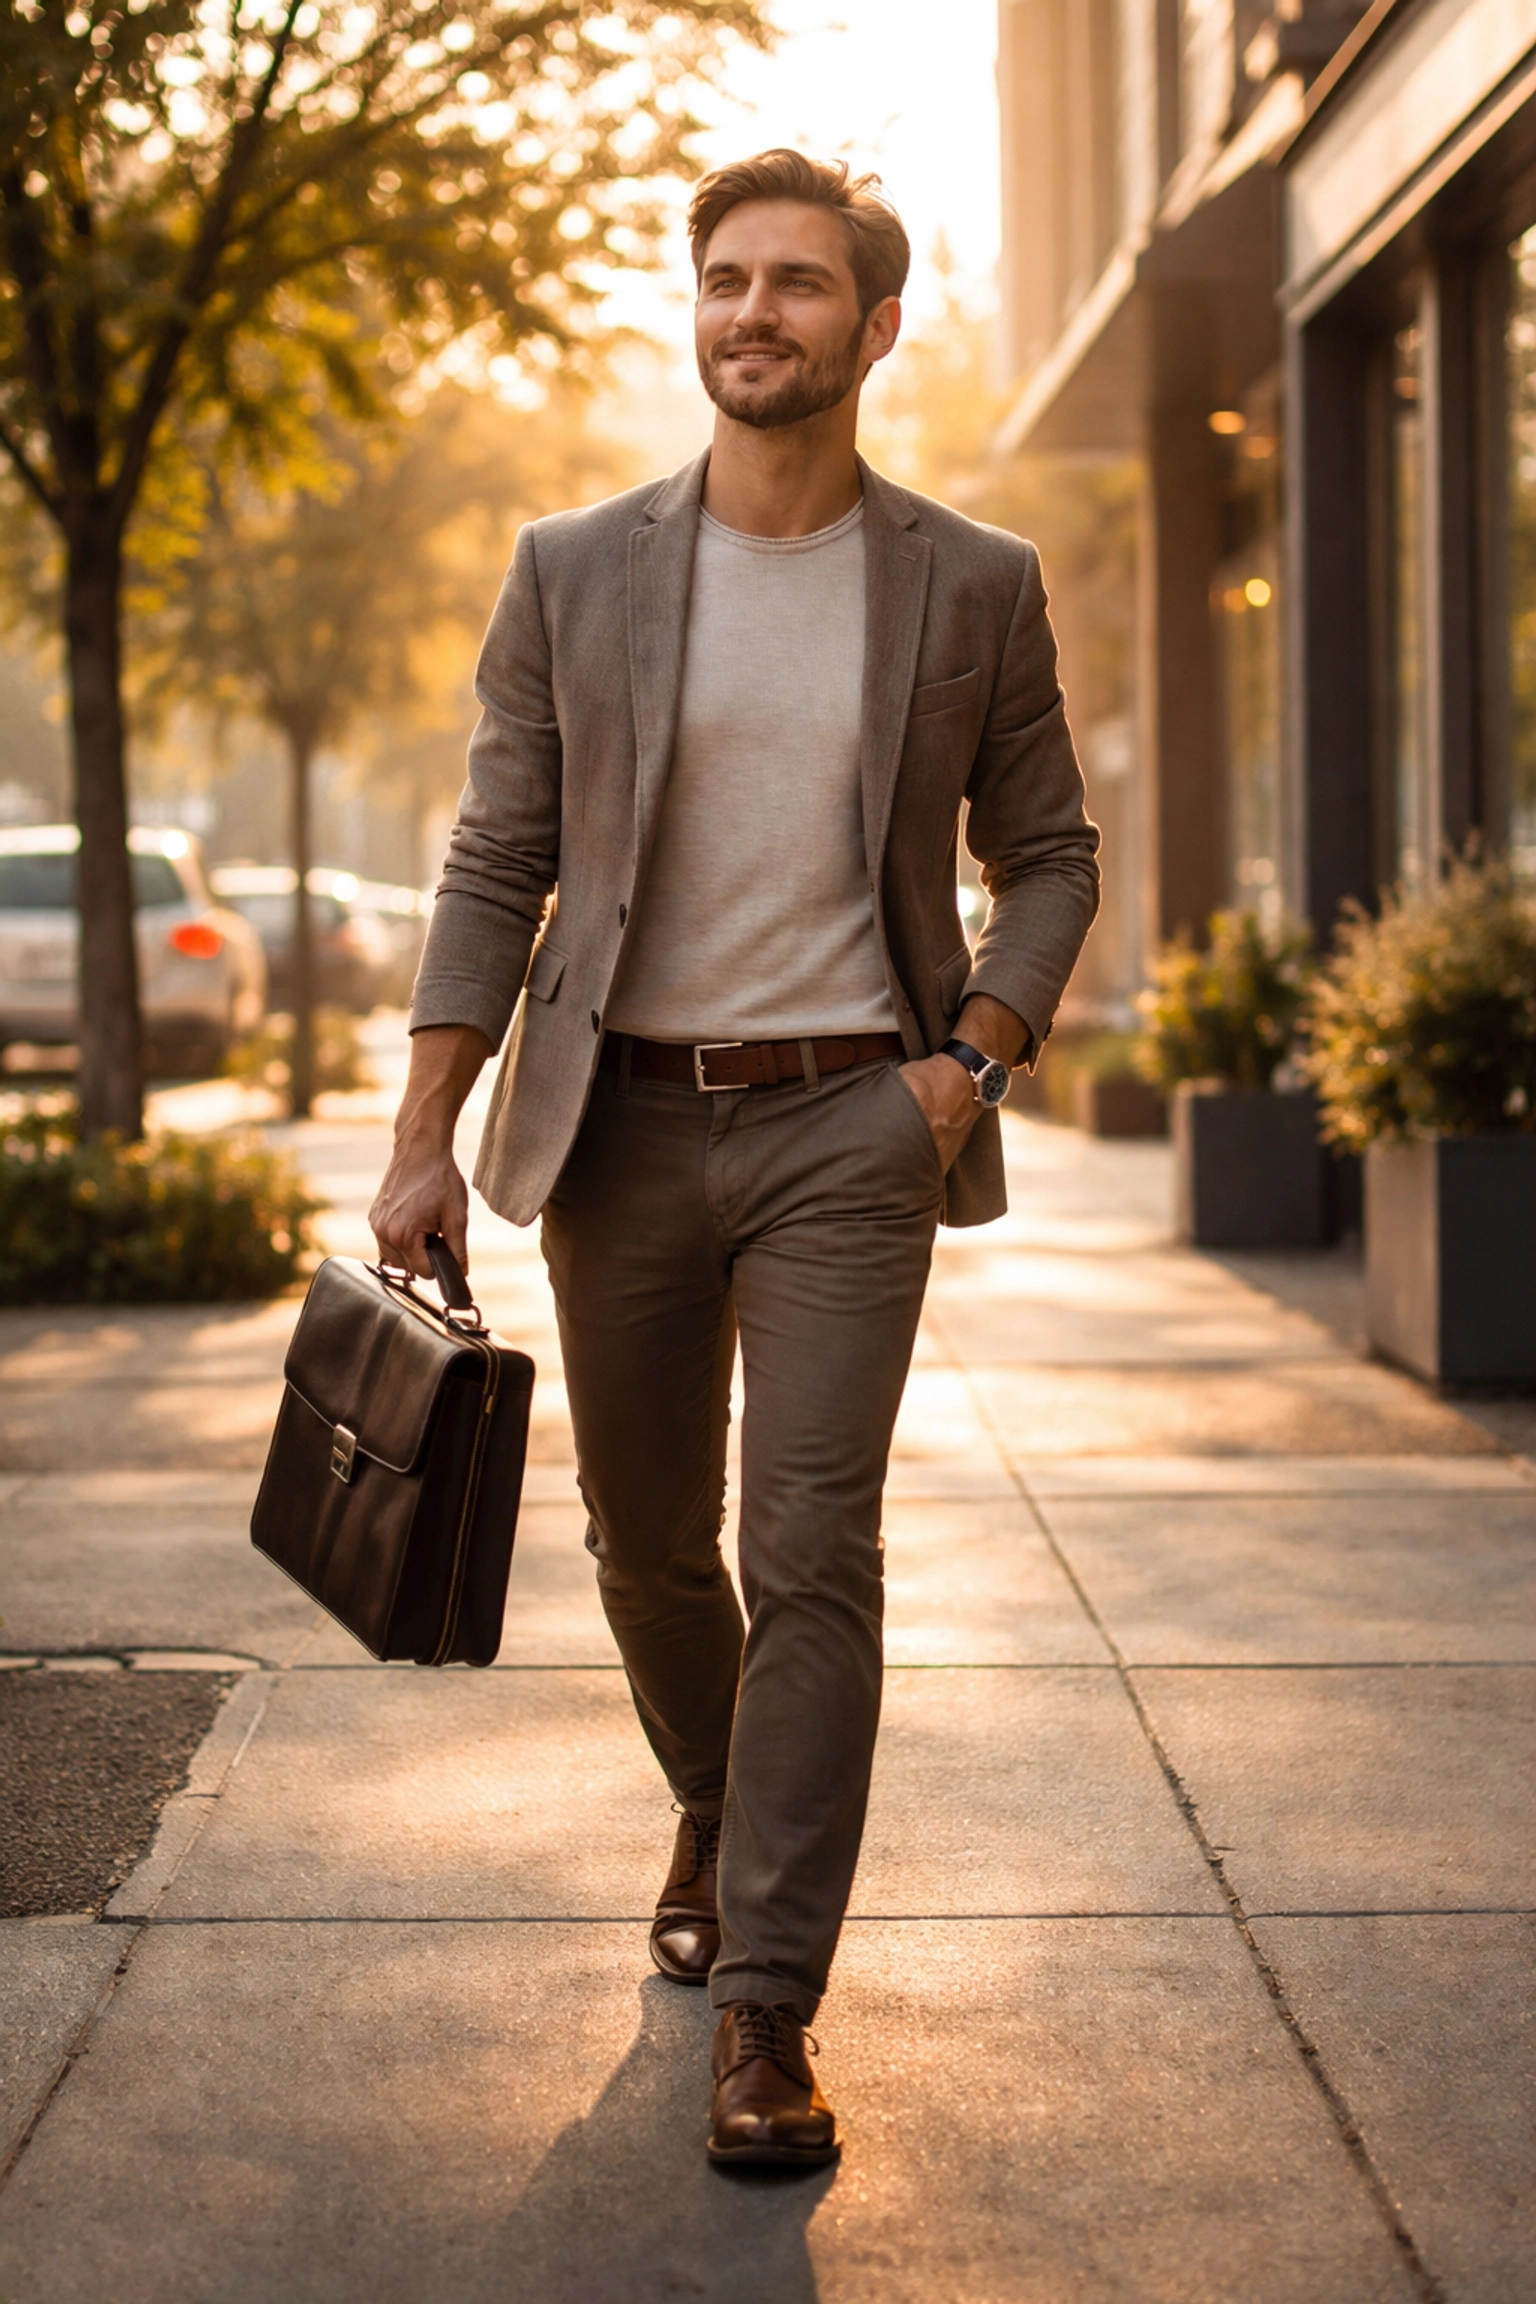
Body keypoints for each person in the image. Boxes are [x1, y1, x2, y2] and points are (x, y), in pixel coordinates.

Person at [369, 148, 1099, 2171]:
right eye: (722, 281)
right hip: (618, 1131)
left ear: (874, 327)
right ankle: (717, 1791)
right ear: (694, 311)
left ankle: (766, 2008)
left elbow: (1046, 855)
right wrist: (425, 1133)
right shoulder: (576, 568)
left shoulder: (970, 581)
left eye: (795, 285)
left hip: (854, 1128)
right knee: (647, 1545)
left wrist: (964, 1066)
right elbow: (500, 856)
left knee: (816, 1554)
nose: (751, 314)